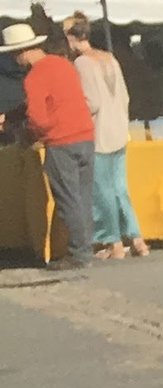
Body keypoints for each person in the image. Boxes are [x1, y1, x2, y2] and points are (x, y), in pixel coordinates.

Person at [9, 18, 96, 267]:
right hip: (85, 136)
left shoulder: (34, 76)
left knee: (68, 199)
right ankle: (86, 248)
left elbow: (38, 118)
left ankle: (78, 254)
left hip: (61, 142)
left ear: (22, 53)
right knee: (83, 197)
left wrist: (28, 134)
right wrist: (15, 114)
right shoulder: (63, 65)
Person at [65, 16, 146, 258]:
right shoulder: (110, 58)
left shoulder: (82, 63)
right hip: (119, 129)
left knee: (102, 191)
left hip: (99, 133)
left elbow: (91, 102)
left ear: (71, 38)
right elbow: (125, 96)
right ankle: (137, 238)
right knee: (120, 188)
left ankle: (113, 242)